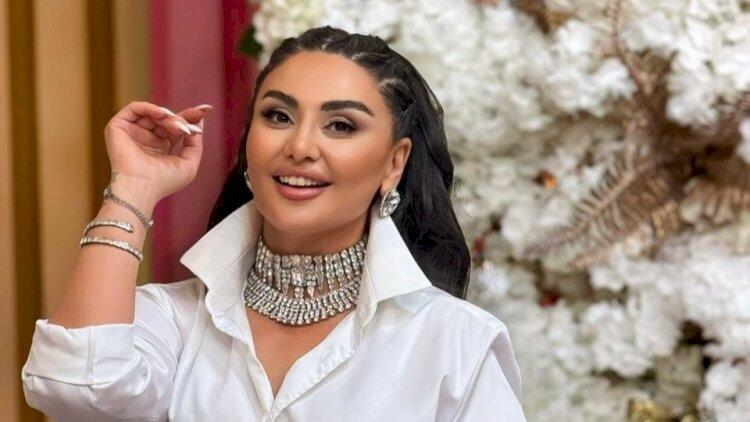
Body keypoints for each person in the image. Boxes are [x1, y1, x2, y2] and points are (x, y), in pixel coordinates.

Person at [21, 26, 526, 421]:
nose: (300, 147)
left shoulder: (455, 342)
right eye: (278, 116)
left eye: (340, 125)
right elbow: (74, 388)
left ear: (394, 163)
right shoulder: (174, 321)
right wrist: (133, 187)